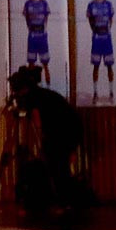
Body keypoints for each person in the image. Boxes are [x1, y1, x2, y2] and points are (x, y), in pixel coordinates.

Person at [7, 65, 84, 219]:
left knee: (57, 166)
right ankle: (63, 202)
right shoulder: (42, 94)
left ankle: (64, 203)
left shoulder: (34, 98)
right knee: (57, 166)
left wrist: (42, 138)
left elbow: (38, 121)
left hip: (63, 131)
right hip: (68, 127)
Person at [85, 0, 116, 103]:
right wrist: (94, 29)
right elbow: (90, 20)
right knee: (96, 66)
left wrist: (107, 30)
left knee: (109, 66)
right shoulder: (91, 5)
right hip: (96, 39)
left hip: (106, 38)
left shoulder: (108, 4)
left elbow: (111, 19)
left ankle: (111, 92)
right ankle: (95, 93)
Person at [22, 0, 52, 84]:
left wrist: (43, 28)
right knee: (31, 64)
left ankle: (48, 88)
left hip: (42, 36)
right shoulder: (28, 3)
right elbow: (26, 18)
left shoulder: (44, 3)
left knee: (45, 64)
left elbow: (46, 17)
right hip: (32, 36)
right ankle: (32, 87)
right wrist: (30, 28)